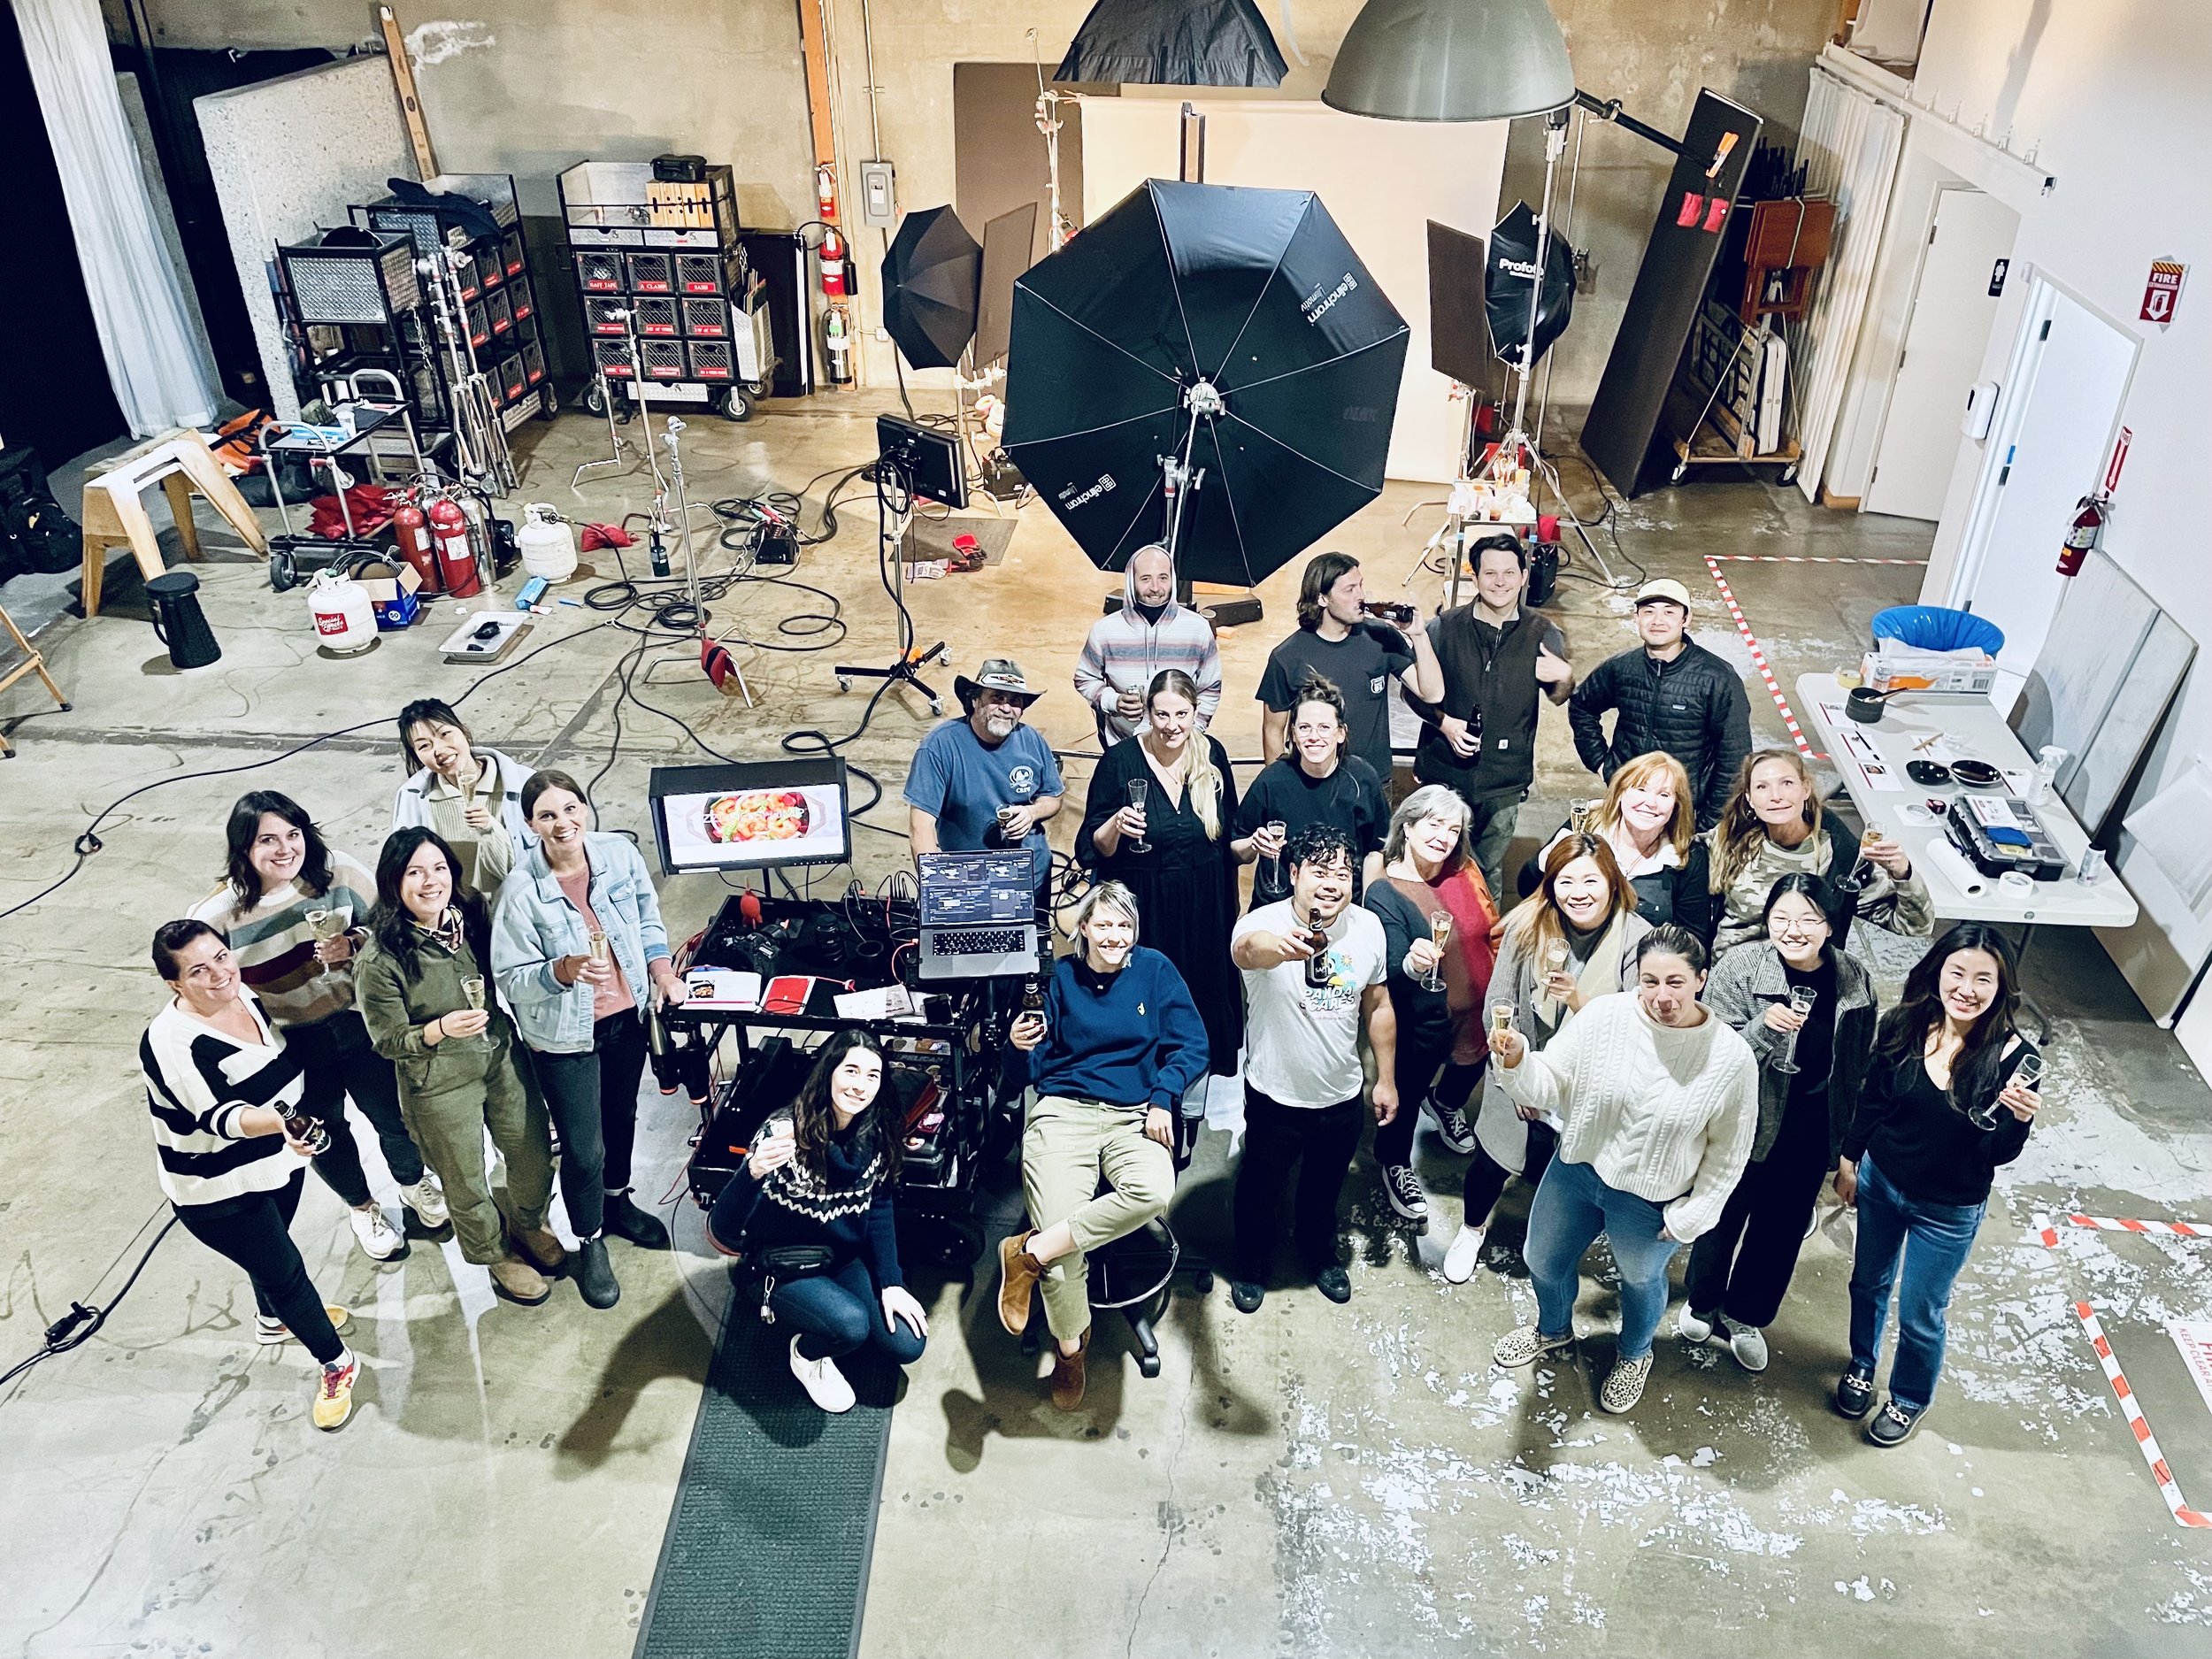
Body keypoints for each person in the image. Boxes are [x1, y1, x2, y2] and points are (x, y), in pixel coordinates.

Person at [1487, 926, 1758, 1414]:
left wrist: (1692, 1216)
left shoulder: (1731, 1059)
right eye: (1649, 981)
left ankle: (1635, 1353)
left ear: (1702, 979)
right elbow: (1549, 1081)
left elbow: (1729, 1153)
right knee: (1543, 1259)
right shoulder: (1604, 1017)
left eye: (1675, 982)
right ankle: (1552, 1329)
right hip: (1579, 1168)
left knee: (1639, 1280)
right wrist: (1518, 1059)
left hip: (1651, 1197)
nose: (1661, 996)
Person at [190, 791, 439, 1263]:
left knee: (394, 1115)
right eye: (268, 840)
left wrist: (356, 942)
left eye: (293, 834)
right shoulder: (217, 916)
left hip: (360, 1022)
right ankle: (363, 1208)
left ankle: (413, 1183)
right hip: (292, 1042)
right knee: (323, 1128)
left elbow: (392, 924)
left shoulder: (340, 874)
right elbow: (202, 985)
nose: (285, 849)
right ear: (243, 848)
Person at [141, 919, 361, 1431]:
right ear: (175, 984)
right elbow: (219, 1117)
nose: (219, 973)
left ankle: (274, 1320)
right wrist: (286, 1123)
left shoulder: (248, 998)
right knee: (285, 1273)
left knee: (275, 1250)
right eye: (198, 970)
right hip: (216, 1189)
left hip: (273, 1161)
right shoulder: (174, 1045)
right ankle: (336, 1362)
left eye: (220, 956)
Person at [998, 882, 1210, 1409]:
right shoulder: (1059, 980)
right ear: (1084, 930)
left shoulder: (1155, 970)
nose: (1116, 936)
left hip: (1133, 1114)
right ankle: (1070, 1349)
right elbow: (1023, 1074)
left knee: (1152, 1192)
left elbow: (1194, 1044)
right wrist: (1016, 1048)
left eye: (1125, 925)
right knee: (1066, 1248)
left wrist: (1164, 1095)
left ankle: (1028, 1253)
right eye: (1105, 925)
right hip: (1063, 1112)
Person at [1835, 925, 2042, 1447]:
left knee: (1922, 1310)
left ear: (2001, 988)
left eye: (1983, 979)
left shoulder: (2015, 1059)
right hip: (1883, 1183)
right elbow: (1874, 1100)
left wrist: (2018, 1120)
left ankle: (1907, 1399)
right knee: (1868, 1283)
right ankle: (1862, 1363)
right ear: (1938, 973)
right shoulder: (1904, 1025)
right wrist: (1848, 1158)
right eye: (1957, 973)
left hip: (1947, 1209)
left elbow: (1997, 1155)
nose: (1967, 989)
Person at [492, 769, 688, 1310]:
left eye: (571, 808)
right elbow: (510, 979)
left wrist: (663, 971)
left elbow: (649, 919)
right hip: (566, 1037)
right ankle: (590, 1240)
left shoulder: (618, 857)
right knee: (584, 1146)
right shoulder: (520, 892)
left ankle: (617, 1202)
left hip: (627, 1018)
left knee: (621, 1116)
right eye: (548, 815)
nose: (563, 823)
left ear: (586, 809)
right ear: (530, 824)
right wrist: (563, 970)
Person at [355, 827, 563, 1306]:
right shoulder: (381, 957)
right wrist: (439, 1029)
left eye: (439, 868)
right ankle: (494, 1253)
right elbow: (387, 1040)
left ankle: (528, 1222)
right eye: (414, 872)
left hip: (499, 1055)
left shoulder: (472, 916)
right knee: (464, 1178)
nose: (430, 882)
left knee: (531, 1150)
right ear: (393, 882)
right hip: (437, 1079)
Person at [1683, 873, 1876, 1371]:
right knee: (1720, 1221)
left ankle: (1746, 1316)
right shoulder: (1741, 966)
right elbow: (1710, 1056)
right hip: (1744, 1122)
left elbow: (1857, 1063)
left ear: (1829, 926)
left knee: (1780, 1232)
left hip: (1811, 1126)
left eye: (1808, 919)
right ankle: (1702, 1302)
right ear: (1766, 921)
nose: (1794, 930)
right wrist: (1763, 1031)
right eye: (1781, 918)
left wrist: (1849, 1146)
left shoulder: (1852, 978)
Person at [1451, 833, 1649, 1283]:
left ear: (1613, 881)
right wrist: (1520, 1078)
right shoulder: (1529, 924)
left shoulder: (1636, 940)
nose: (1577, 892)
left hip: (1589, 1086)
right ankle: (1472, 1228)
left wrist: (1579, 1001)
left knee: (1562, 1178)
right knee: (1491, 1163)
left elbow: (1634, 1028)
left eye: (1590, 880)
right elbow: (1499, 1005)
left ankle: (1549, 1244)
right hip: (1518, 1064)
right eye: (1564, 880)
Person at [705, 1032, 931, 1415]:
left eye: (873, 1076)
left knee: (907, 1343)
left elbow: (879, 1208)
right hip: (783, 1263)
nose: (860, 1086)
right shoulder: (784, 1131)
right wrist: (753, 1170)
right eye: (852, 1071)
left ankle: (832, 1319)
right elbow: (722, 1231)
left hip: (842, 1257)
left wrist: (891, 1282)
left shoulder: (874, 1129)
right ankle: (806, 1355)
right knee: (851, 1326)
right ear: (829, 1071)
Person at [1227, 823, 1397, 1312]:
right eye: (1320, 871)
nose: (1332, 883)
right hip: (1274, 1096)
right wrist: (1281, 947)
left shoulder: (1367, 929)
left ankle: (1317, 1250)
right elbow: (1245, 950)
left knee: (1324, 1187)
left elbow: (1378, 1003)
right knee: (1260, 1186)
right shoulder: (1262, 922)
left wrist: (1384, 1079)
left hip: (1340, 1095)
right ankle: (1253, 1260)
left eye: (1342, 873)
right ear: (1294, 873)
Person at [1080, 671, 1243, 1078]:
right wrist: (1115, 826)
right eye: (1162, 714)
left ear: (1195, 713)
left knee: (1199, 993)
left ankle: (1196, 1074)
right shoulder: (1119, 762)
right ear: (1148, 713)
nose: (1172, 726)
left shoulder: (1213, 755)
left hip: (1203, 906)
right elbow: (1092, 847)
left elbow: (1230, 837)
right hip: (1145, 905)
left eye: (1182, 714)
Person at [1408, 533, 1573, 898]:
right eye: (1490, 573)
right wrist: (1444, 723)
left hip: (1504, 780)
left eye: (1509, 573)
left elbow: (1559, 697)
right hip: (1445, 772)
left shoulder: (1543, 634)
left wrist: (1565, 678)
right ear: (1474, 577)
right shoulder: (1444, 628)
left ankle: (1484, 945)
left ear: (1524, 575)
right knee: (1432, 862)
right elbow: (1411, 691)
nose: (1500, 582)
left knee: (1487, 869)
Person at [1363, 786, 1498, 1224]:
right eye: (1434, 824)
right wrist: (1415, 963)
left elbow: (1489, 926)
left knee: (1468, 1070)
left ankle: (1445, 1105)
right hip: (1424, 1022)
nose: (1443, 836)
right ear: (1408, 825)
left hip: (1477, 1012)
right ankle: (1394, 1162)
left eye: (1453, 829)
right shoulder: (1386, 889)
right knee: (1405, 1093)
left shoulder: (1464, 871)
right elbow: (1392, 970)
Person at [1707, 748, 1932, 954]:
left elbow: (1914, 926)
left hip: (1798, 983)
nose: (1776, 795)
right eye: (1762, 787)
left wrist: (1903, 873)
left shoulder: (1839, 859)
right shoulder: (1732, 839)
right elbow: (1681, 853)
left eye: (1786, 783)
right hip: (1728, 979)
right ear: (1749, 799)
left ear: (1805, 789)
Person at [1568, 578, 1751, 831]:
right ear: (1637, 618)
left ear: (1686, 619)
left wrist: (1708, 820)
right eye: (1649, 612)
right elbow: (1582, 706)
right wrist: (1603, 765)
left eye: (1669, 612)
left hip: (1684, 812)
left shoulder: (1718, 679)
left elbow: (1735, 757)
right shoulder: (1622, 668)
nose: (1657, 621)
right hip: (1627, 802)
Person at [1256, 551, 1442, 785]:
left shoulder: (1381, 637)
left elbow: (1432, 693)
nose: (1361, 596)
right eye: (1349, 589)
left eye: (1361, 586)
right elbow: (1274, 730)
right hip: (1313, 782)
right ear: (1322, 599)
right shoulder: (1288, 657)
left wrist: (1419, 636)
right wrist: (1277, 789)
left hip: (1374, 782)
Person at [905, 657, 1065, 901]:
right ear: (975, 700)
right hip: (968, 881)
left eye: (1015, 701)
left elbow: (1053, 796)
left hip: (1030, 876)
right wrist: (938, 887)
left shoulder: (1032, 740)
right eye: (997, 698)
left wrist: (1032, 813)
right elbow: (921, 827)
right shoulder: (940, 747)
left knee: (1032, 939)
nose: (1006, 708)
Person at [1520, 751, 1716, 948]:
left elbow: (1693, 938)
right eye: (1641, 789)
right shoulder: (1587, 825)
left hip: (1644, 966)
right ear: (1620, 792)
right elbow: (1526, 888)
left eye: (1664, 794)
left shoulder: (1688, 856)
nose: (1650, 803)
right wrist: (1546, 860)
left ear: (1676, 805)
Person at [1233, 676, 1388, 910]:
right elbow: (1237, 850)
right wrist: (1253, 845)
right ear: (1293, 734)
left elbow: (1377, 850)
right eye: (1304, 728)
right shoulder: (1273, 780)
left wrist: (1367, 913)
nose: (1314, 737)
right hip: (1279, 907)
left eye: (1324, 728)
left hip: (1340, 907)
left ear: (1341, 734)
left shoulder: (1362, 778)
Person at [1072, 543, 1224, 744]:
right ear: (1130, 582)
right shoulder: (1105, 631)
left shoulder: (1198, 629)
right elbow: (1085, 678)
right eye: (1145, 579)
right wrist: (1113, 702)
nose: (1155, 588)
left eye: (1163, 578)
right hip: (1122, 743)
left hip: (1181, 745)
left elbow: (1210, 687)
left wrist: (1193, 733)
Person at [388, 698, 532, 898]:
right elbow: (403, 869)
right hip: (451, 914)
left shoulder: (524, 783)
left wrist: (490, 830)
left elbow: (532, 869)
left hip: (514, 908)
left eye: (445, 734)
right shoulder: (412, 796)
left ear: (463, 731)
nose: (438, 750)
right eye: (424, 746)